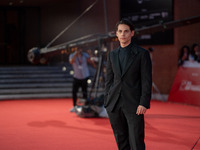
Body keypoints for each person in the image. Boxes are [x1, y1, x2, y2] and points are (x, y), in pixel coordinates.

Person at [104, 19, 152, 150]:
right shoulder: (112, 55)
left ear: (132, 33)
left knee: (136, 141)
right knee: (121, 141)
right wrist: (107, 100)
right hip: (114, 104)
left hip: (134, 104)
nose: (123, 34)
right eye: (120, 31)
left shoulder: (142, 54)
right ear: (117, 34)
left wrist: (143, 102)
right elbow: (109, 80)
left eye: (126, 31)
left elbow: (146, 80)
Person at [69, 46, 93, 112]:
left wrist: (90, 54)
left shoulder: (85, 55)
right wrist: (75, 54)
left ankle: (85, 106)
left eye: (80, 49)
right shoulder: (72, 55)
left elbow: (90, 61)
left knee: (85, 91)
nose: (79, 51)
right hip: (76, 76)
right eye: (77, 49)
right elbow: (71, 61)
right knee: (74, 92)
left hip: (85, 76)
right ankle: (74, 106)